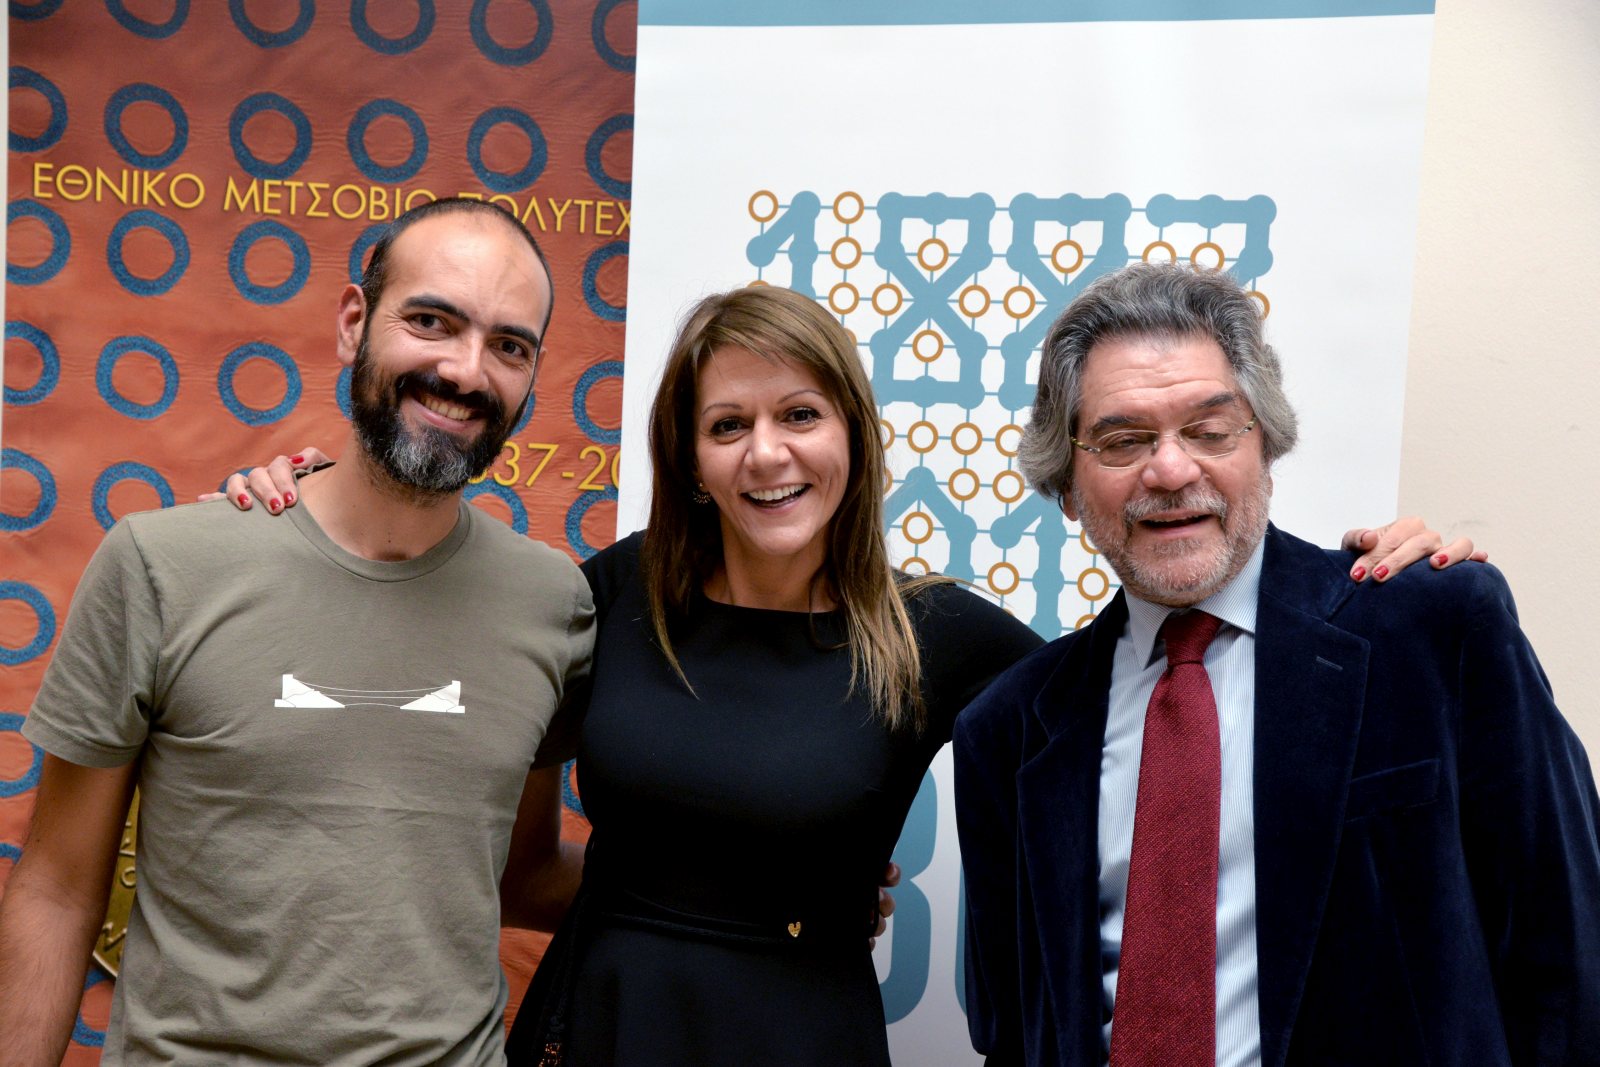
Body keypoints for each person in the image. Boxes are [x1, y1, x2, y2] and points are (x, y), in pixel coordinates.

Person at [223, 285, 1475, 1065]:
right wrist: (307, 504)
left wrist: (1364, 583)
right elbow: (462, 752)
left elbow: (1172, 684)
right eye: (727, 425)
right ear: (689, 456)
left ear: (854, 438)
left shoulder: (941, 636)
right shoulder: (606, 591)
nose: (767, 453)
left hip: (801, 1032)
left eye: (800, 415)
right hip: (595, 1021)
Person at [953, 262, 1600, 1067]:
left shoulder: (1432, 627)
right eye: (1123, 441)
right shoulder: (1007, 729)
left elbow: (1570, 954)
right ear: (1068, 488)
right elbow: (1011, 1029)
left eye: (1210, 430)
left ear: (1266, 447)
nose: (1171, 469)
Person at [0, 199, 594, 1066]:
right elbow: (56, 887)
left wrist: (762, 886)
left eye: (509, 345)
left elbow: (524, 874)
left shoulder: (556, 604)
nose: (465, 371)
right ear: (354, 323)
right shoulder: (162, 565)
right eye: (431, 321)